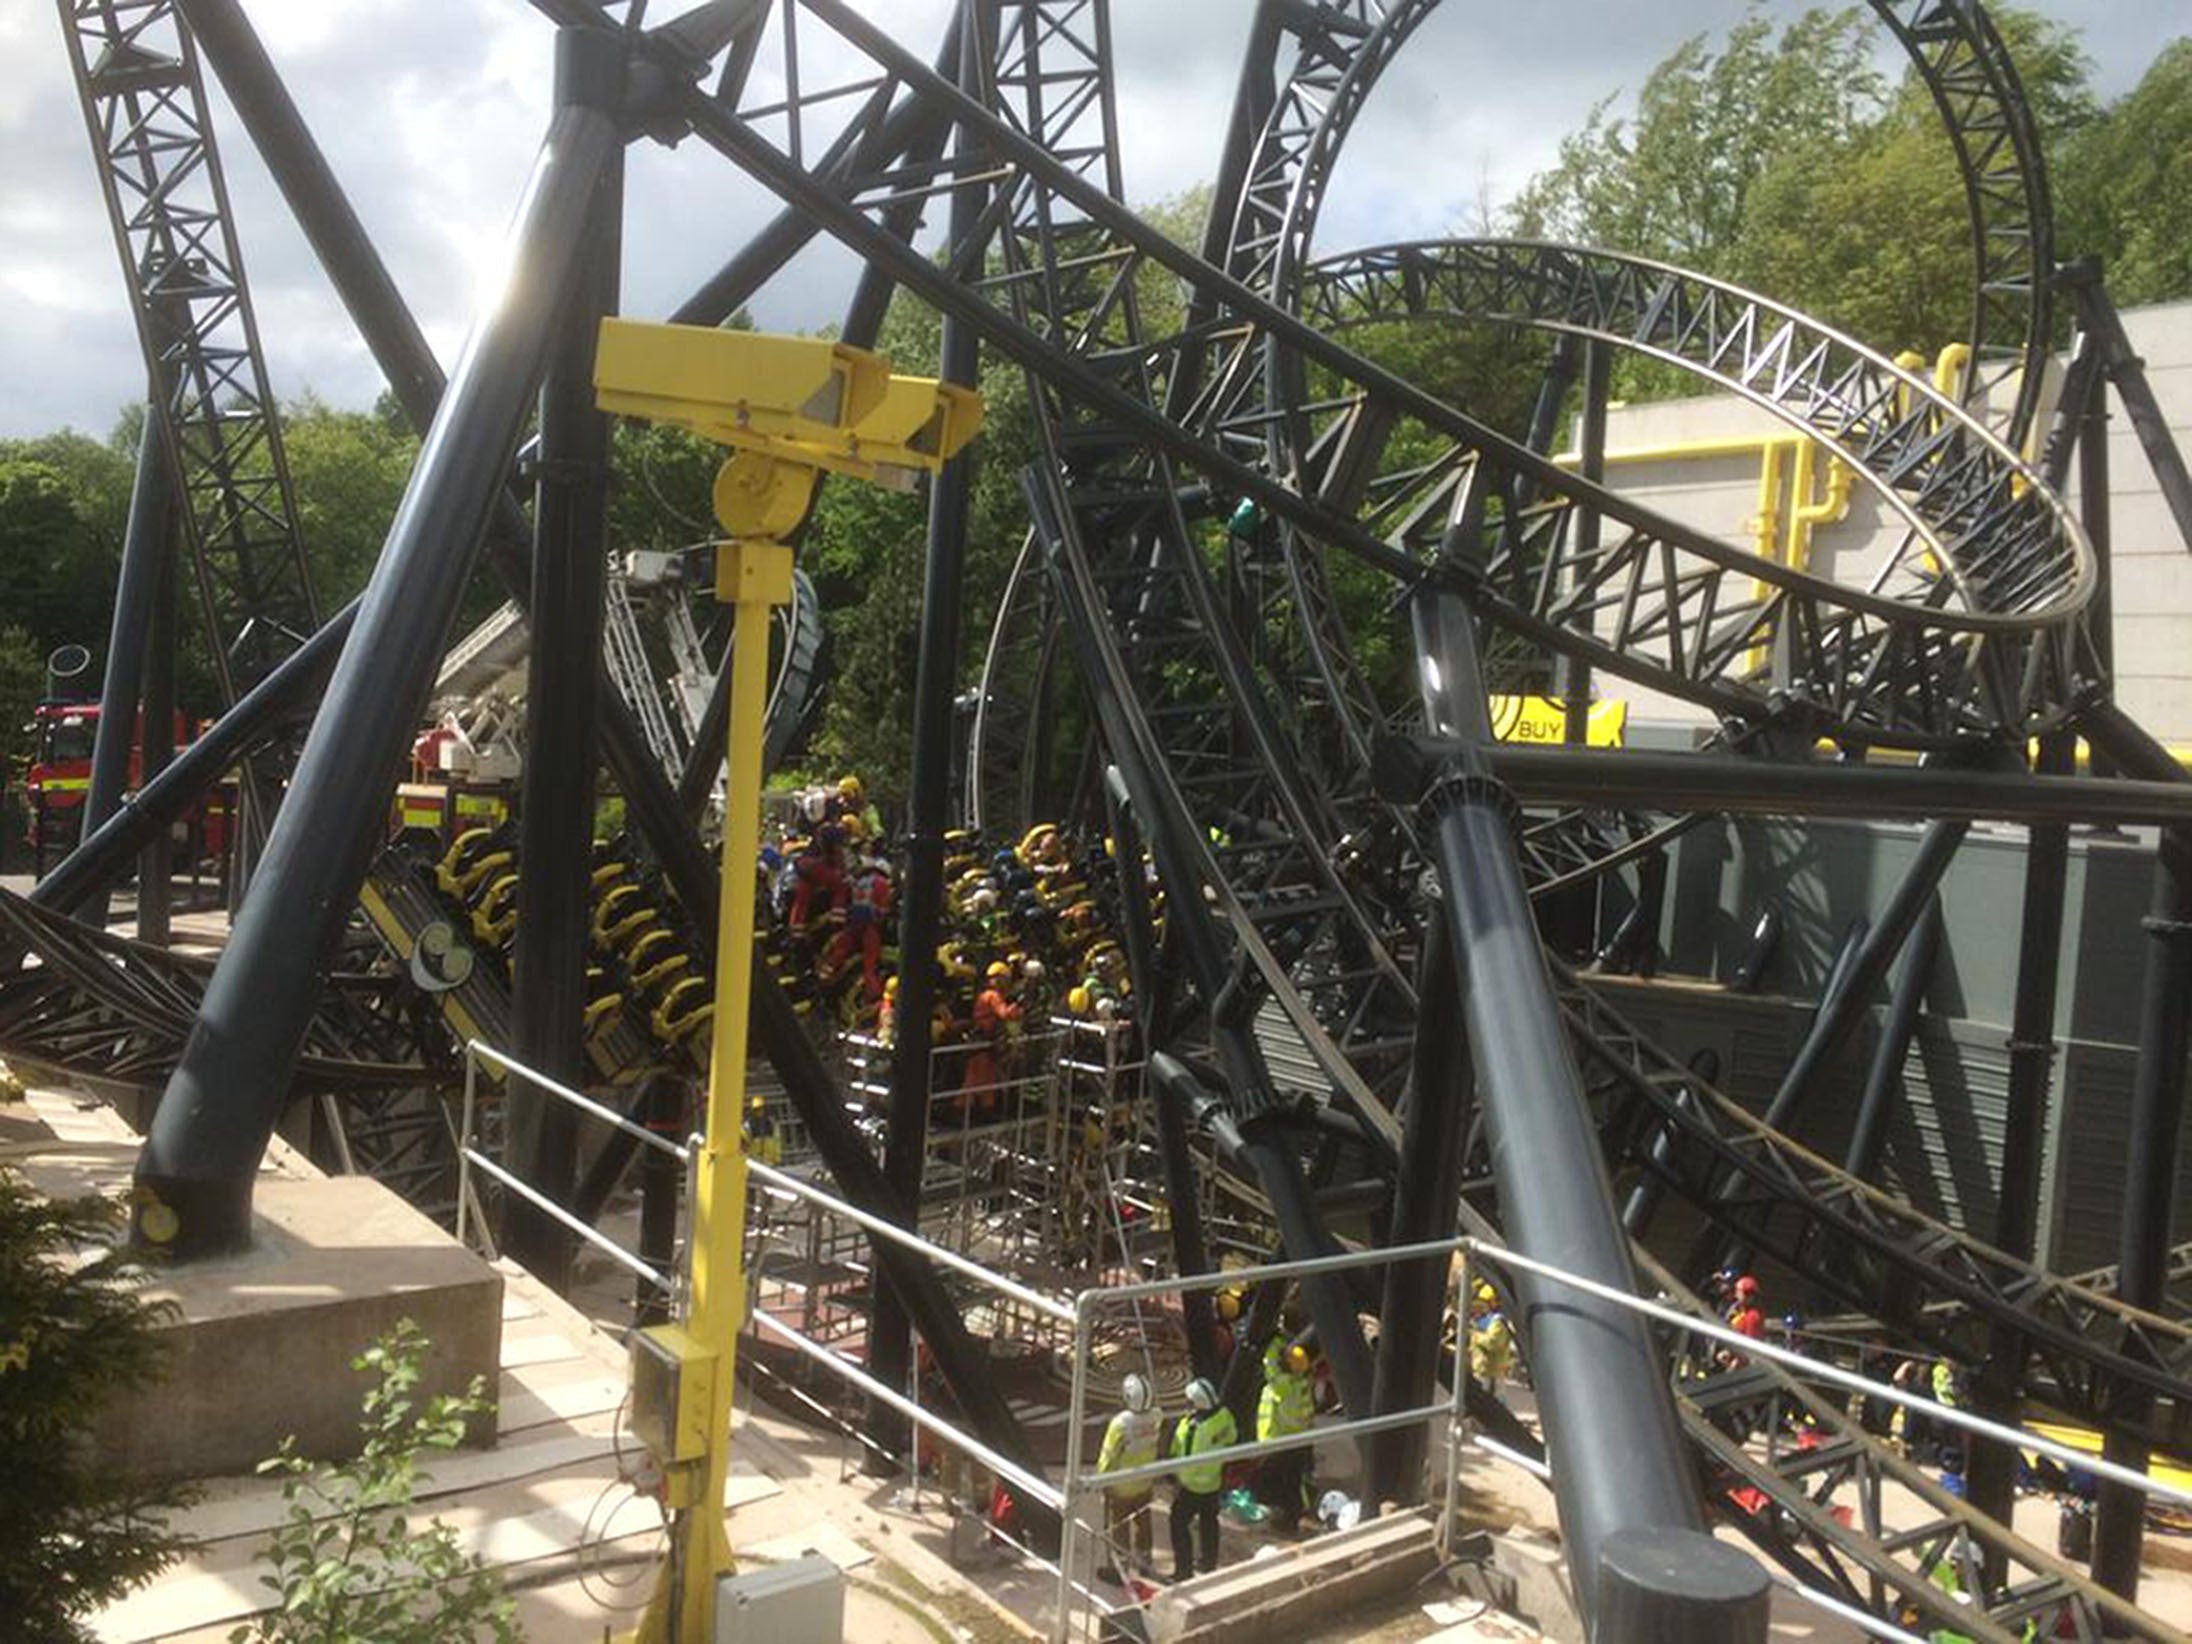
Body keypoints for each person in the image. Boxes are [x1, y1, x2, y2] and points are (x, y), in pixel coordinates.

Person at [1168, 1377, 1235, 1580]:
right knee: (1209, 1522)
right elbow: (1232, 1437)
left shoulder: (1193, 1429)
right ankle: (1208, 1562)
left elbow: (1184, 1460)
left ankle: (1183, 1571)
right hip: (1214, 1483)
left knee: (1178, 1523)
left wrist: (1178, 1481)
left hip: (1192, 1487)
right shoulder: (1224, 1416)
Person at [1096, 1374, 1161, 1581]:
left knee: (1118, 1528)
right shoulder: (1157, 1416)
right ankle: (1145, 1562)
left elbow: (1108, 1455)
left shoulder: (1120, 1424)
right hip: (1145, 1481)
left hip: (1120, 1486)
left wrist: (1101, 1481)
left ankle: (1119, 1570)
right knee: (1144, 1524)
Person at [1256, 1343, 1315, 1534]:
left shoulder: (1282, 1386)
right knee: (1292, 1483)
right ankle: (1291, 1521)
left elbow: (1269, 1366)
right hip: (1296, 1442)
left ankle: (1280, 1522)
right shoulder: (1303, 1384)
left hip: (1277, 1443)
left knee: (1273, 1483)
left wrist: (1273, 1344)